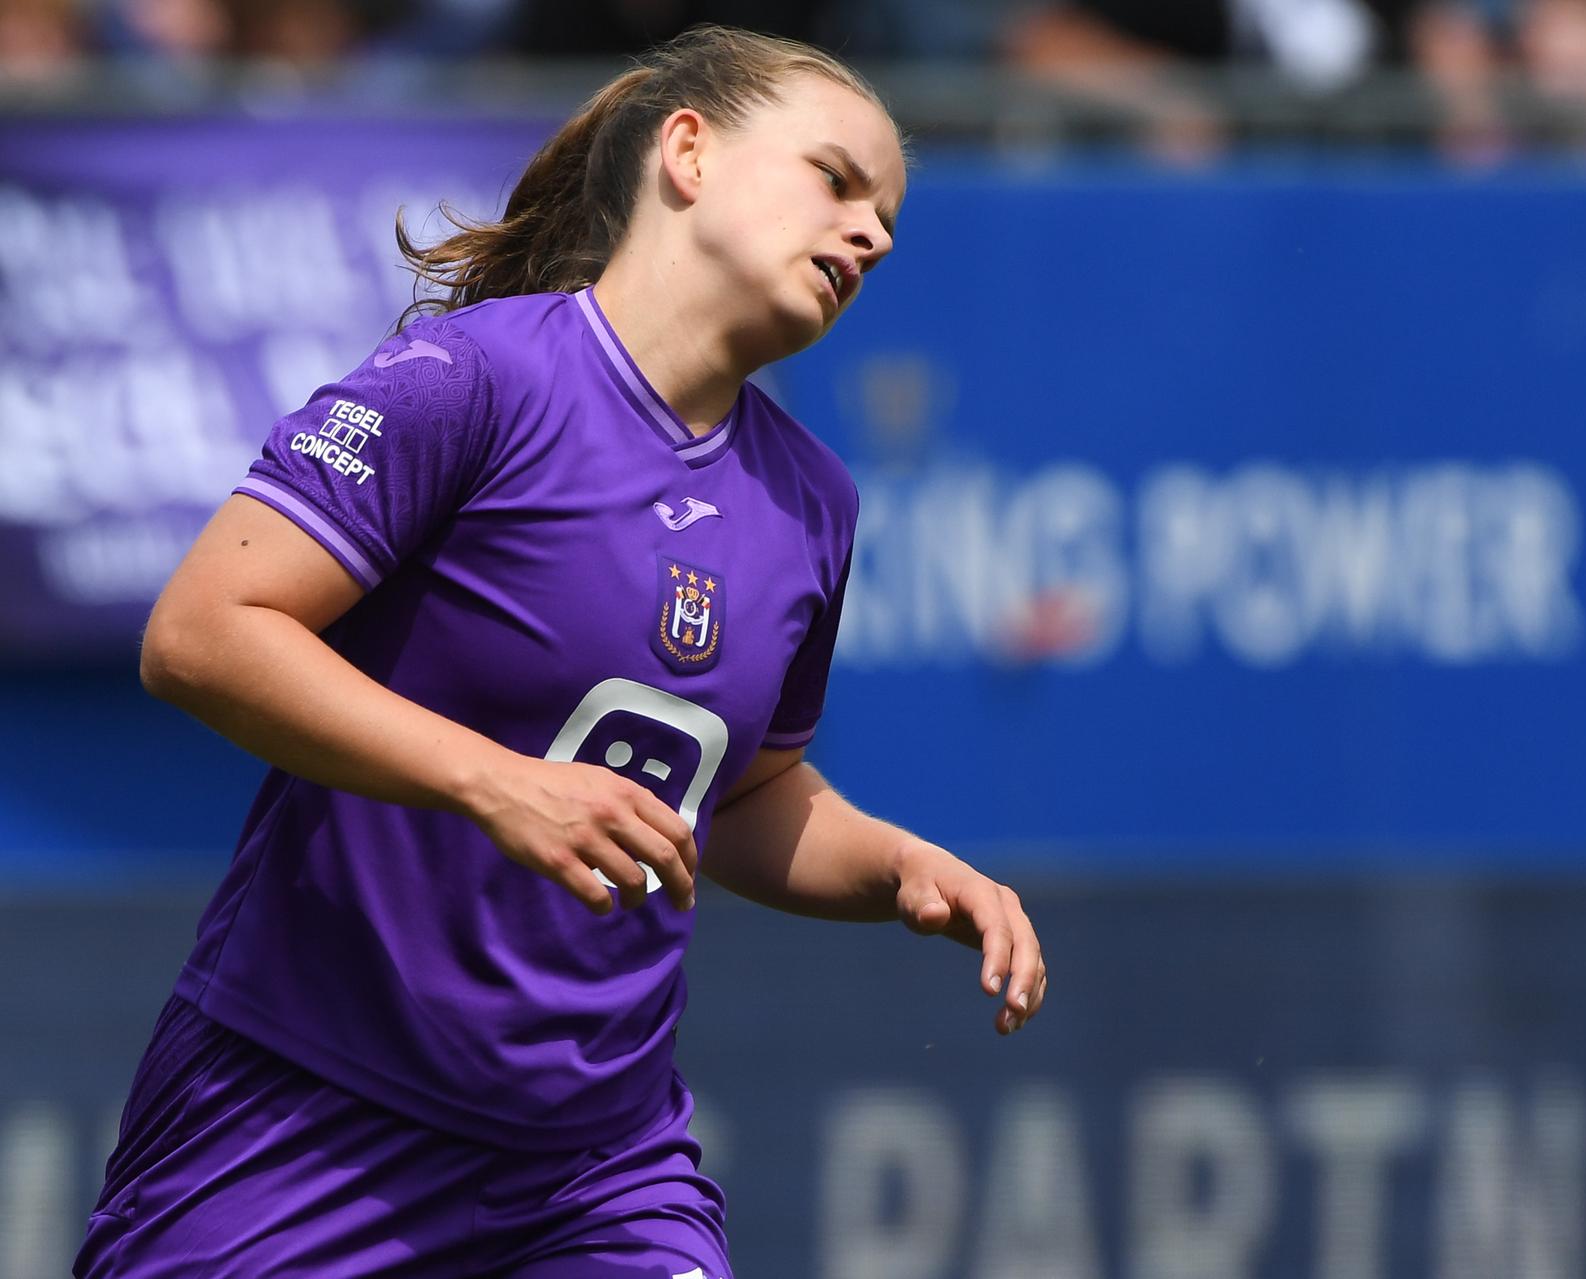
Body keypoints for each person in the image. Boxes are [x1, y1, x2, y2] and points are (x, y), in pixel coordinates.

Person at [76, 25, 1047, 1277]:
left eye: (890, 220)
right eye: (836, 180)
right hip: (306, 1112)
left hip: (597, 1166)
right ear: (688, 152)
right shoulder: (468, 380)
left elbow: (741, 796)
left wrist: (906, 864)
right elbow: (203, 634)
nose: (872, 236)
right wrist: (495, 779)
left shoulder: (814, 502)